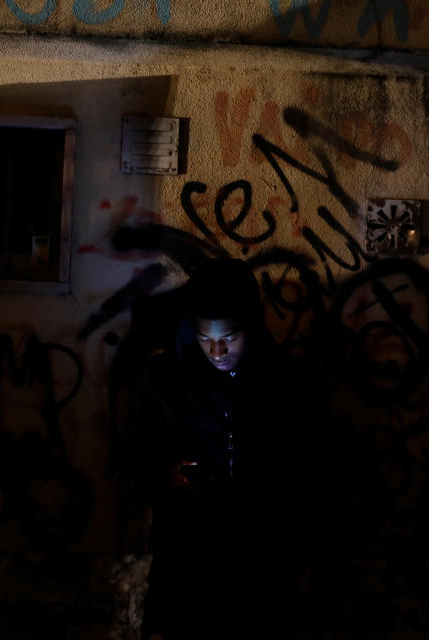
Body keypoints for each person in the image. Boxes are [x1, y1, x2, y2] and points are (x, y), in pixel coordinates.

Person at [127, 258, 303, 640]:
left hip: (259, 561)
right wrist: (167, 478)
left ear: (251, 326)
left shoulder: (285, 380)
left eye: (229, 337)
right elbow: (134, 461)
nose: (217, 351)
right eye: (206, 338)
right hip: (185, 558)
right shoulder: (162, 379)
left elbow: (307, 465)